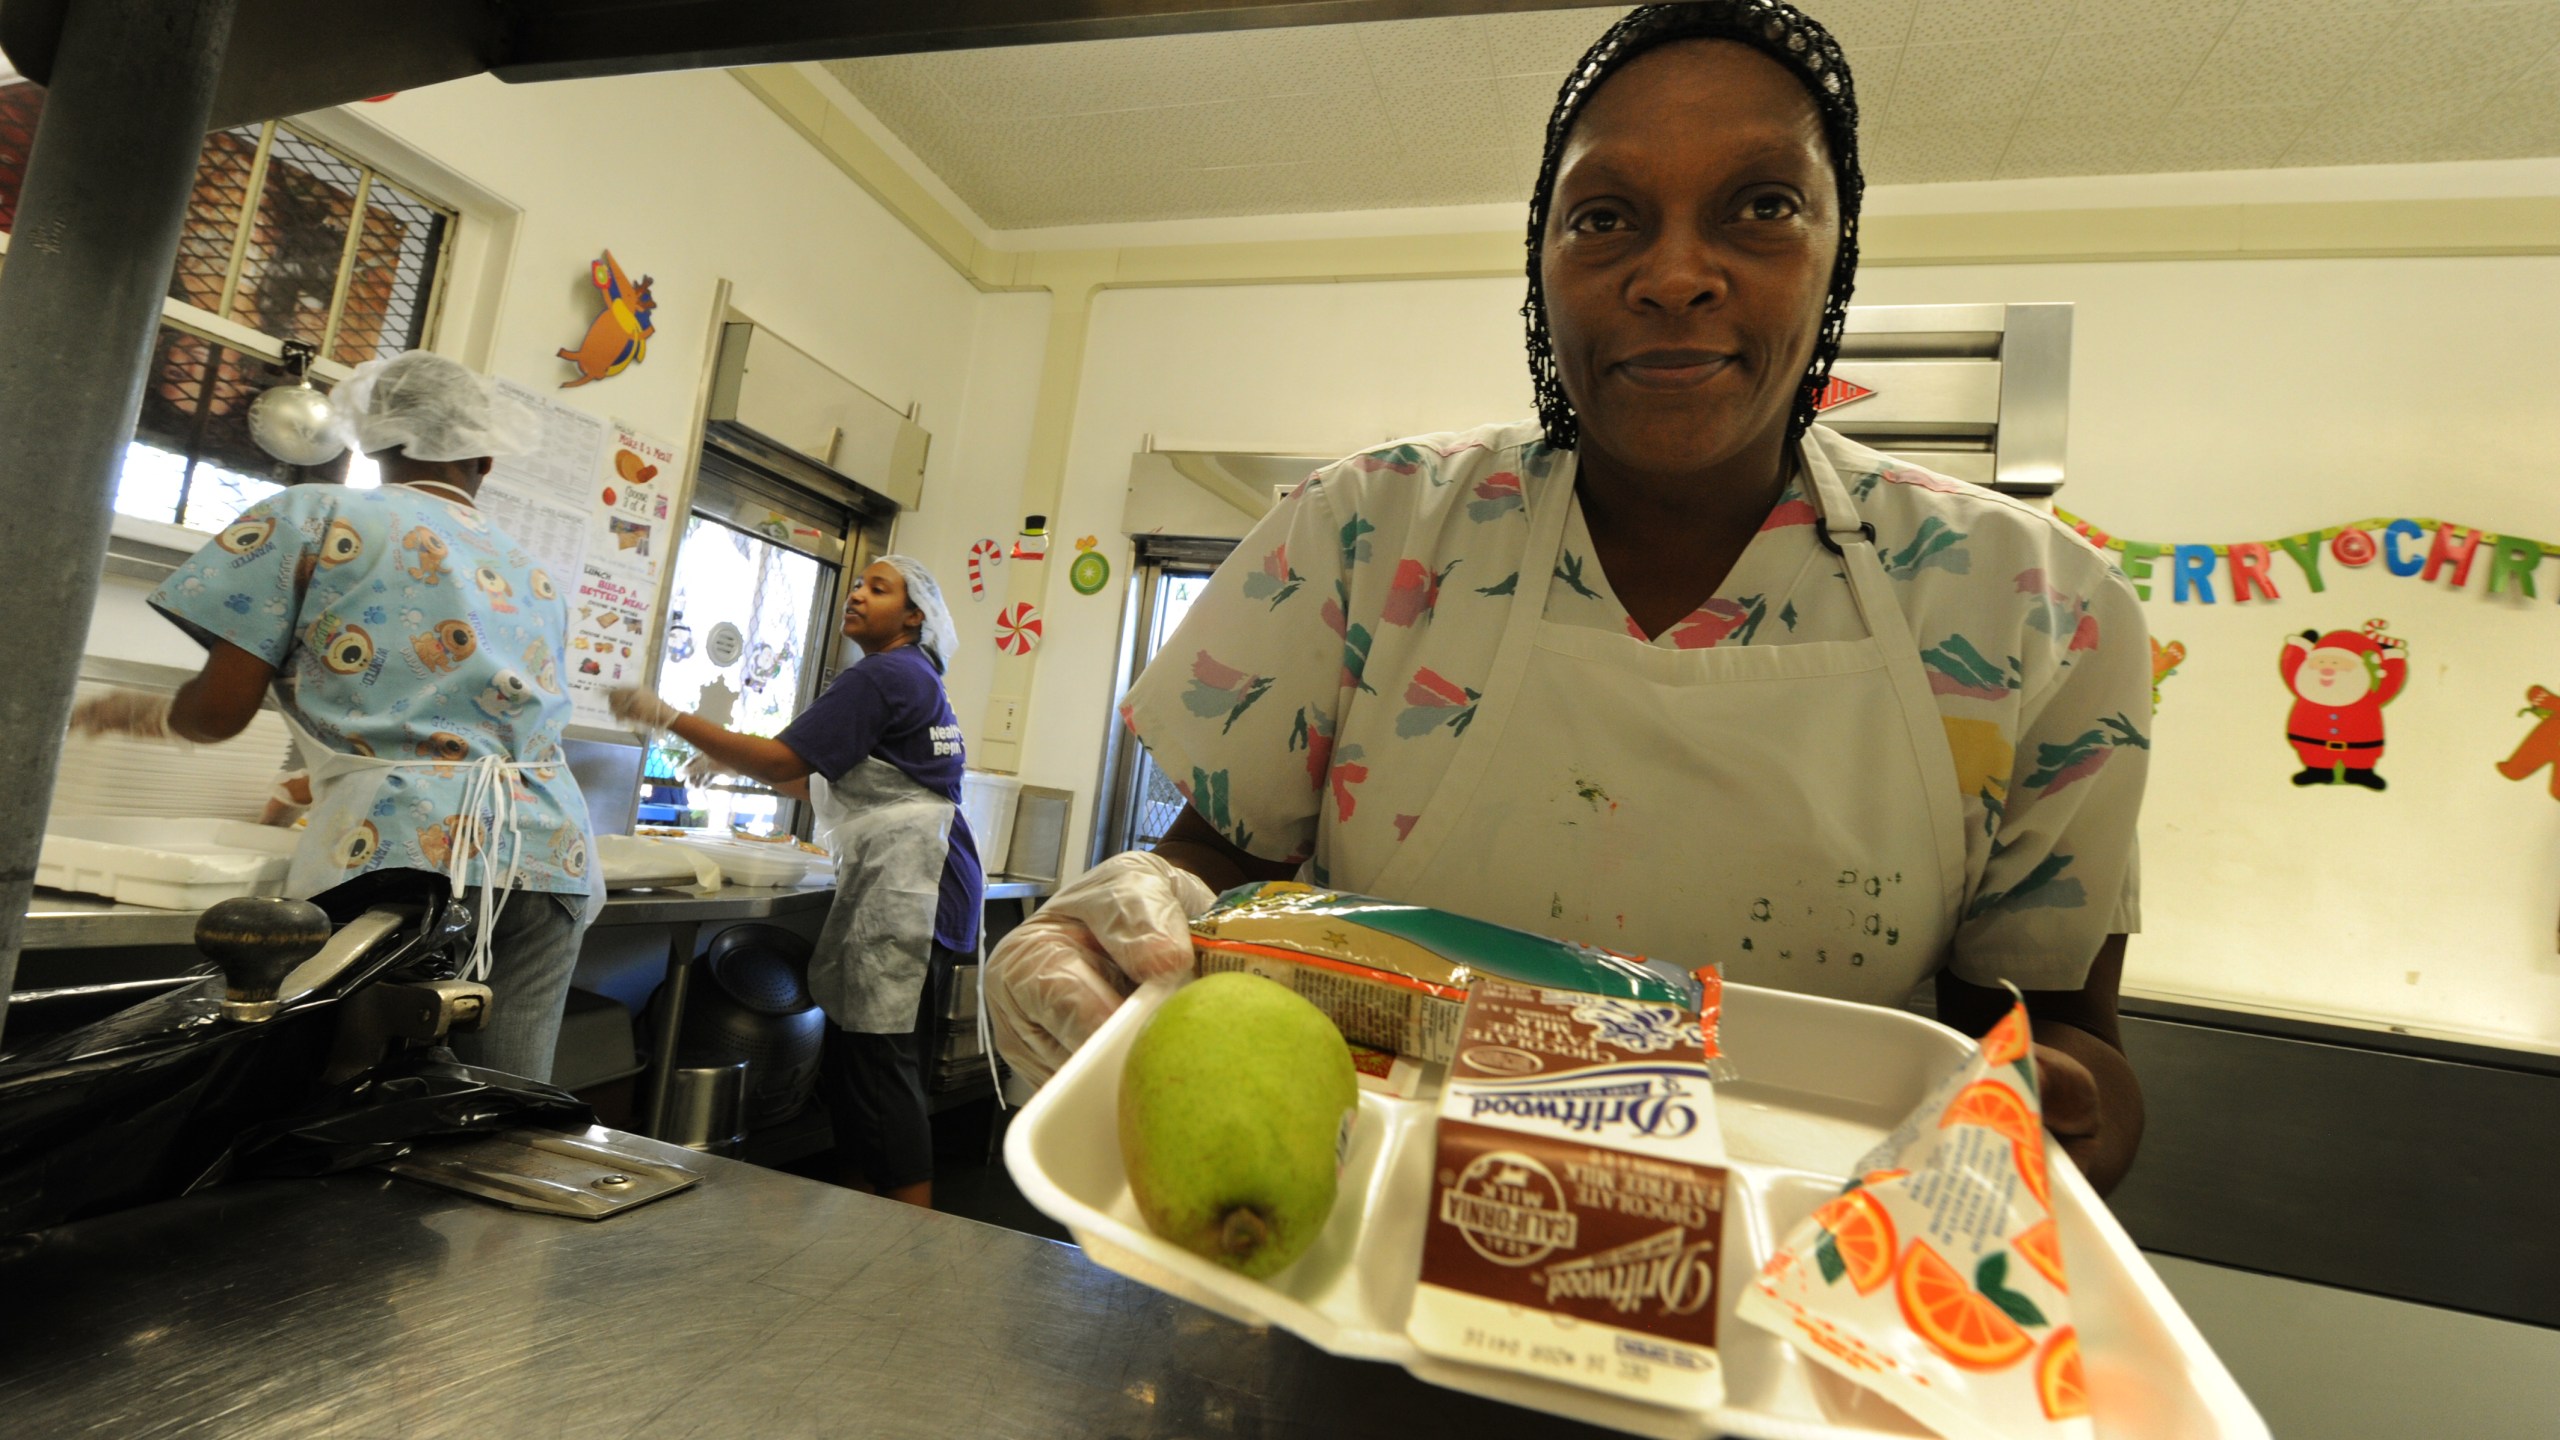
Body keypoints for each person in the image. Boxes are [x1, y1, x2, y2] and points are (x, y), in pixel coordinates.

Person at [988, 1, 2153, 1193]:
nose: (1675, 274)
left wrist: (2066, 1114)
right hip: (1350, 1249)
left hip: (1796, 1311)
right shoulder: (1364, 532)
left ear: (1834, 252)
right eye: (1606, 218)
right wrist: (1122, 922)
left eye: (1761, 205)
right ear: (1541, 265)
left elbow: (2064, 1031)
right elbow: (1214, 868)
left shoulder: (2032, 607)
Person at [70, 350, 599, 1081]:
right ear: (484, 456)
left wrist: (147, 715)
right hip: (549, 858)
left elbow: (219, 712)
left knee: (343, 1104)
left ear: (367, 440)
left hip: (400, 853)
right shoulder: (533, 571)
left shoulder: (311, 515)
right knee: (498, 1109)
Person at [608, 556, 981, 1208]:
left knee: (880, 1070)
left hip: (910, 885)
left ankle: (909, 1237)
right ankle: (862, 1210)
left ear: (914, 615)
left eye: (878, 588)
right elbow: (817, 778)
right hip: (928, 879)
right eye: (857, 584)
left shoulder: (884, 673)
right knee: (867, 1068)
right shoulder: (917, 675)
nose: (858, 595)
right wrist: (724, 762)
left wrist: (667, 715)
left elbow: (786, 759)